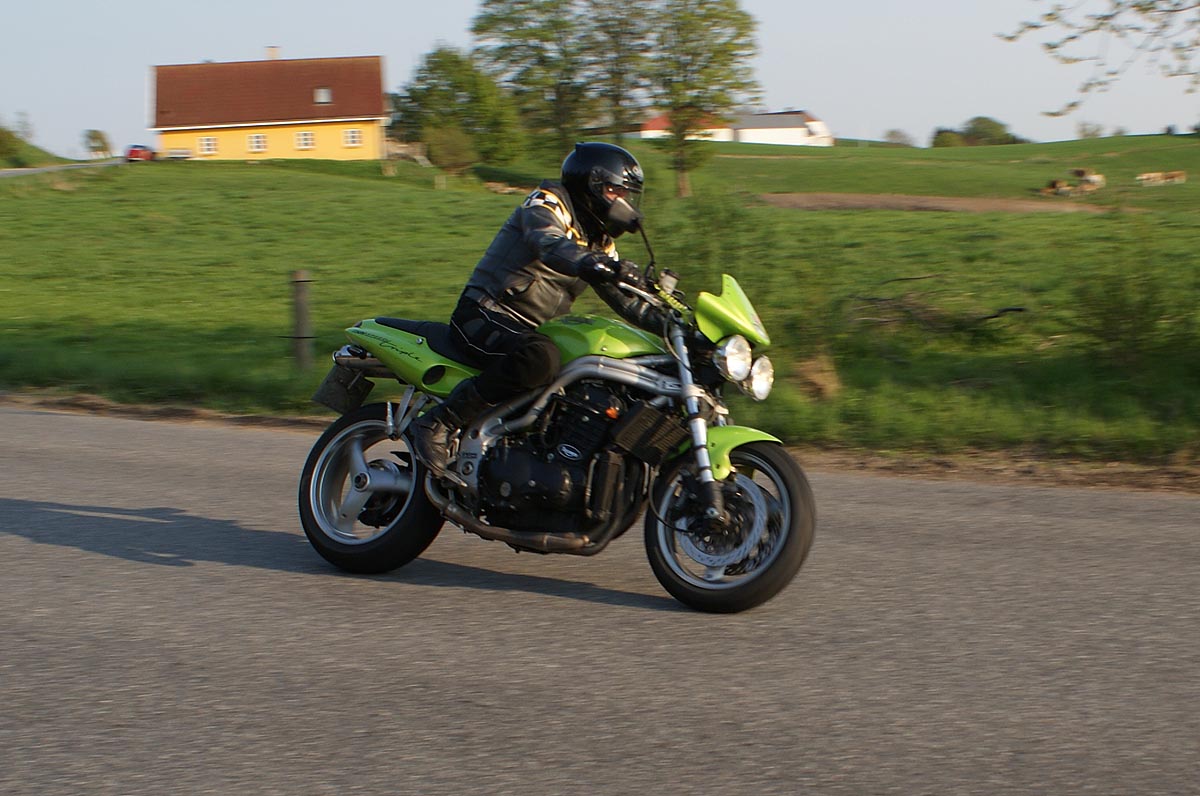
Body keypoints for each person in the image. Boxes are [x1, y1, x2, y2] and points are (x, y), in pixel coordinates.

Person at [410, 142, 668, 477]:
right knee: (541, 358)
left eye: (626, 195)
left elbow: (627, 301)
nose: (623, 203)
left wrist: (676, 324)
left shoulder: (601, 243)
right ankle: (439, 422)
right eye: (614, 192)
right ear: (590, 186)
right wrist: (593, 262)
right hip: (485, 313)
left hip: (526, 331)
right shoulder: (547, 202)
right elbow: (547, 242)